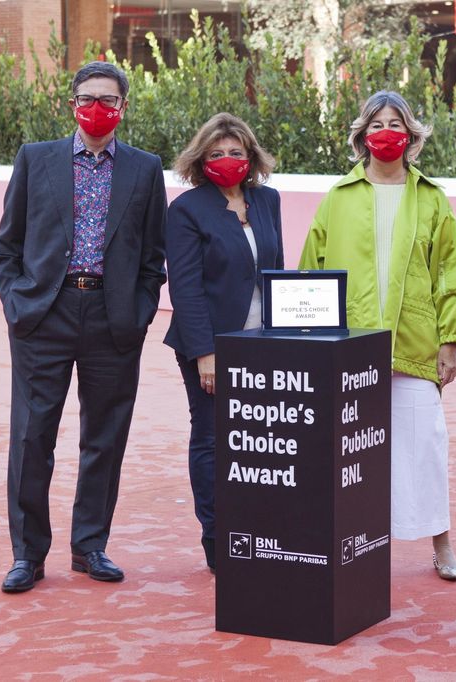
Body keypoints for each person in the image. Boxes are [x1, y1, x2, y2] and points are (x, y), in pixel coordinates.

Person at [0, 62, 167, 593]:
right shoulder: (36, 159)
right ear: (72, 103)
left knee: (104, 437)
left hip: (113, 321)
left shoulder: (144, 168)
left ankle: (89, 545)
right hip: (44, 314)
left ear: (124, 107)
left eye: (108, 99)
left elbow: (152, 257)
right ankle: (28, 554)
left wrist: (138, 314)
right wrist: (16, 304)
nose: (98, 107)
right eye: (88, 97)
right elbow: (7, 247)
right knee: (31, 435)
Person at [298, 91, 456, 580]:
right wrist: (310, 337)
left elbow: (451, 273)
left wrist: (450, 340)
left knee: (426, 447)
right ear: (362, 135)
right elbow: (312, 268)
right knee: (349, 452)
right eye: (377, 123)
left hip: (414, 345)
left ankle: (442, 544)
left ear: (411, 135)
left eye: (396, 123)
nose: (386, 132)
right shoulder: (339, 197)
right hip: (350, 347)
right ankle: (351, 544)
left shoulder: (432, 198)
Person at [164, 113, 282, 572]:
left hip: (264, 342)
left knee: (264, 439)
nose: (227, 160)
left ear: (251, 158)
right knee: (214, 439)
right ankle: (217, 535)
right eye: (216, 154)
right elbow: (186, 289)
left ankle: (262, 526)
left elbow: (276, 270)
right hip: (211, 345)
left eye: (236, 152)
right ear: (201, 160)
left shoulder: (267, 200)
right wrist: (206, 354)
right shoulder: (187, 210)